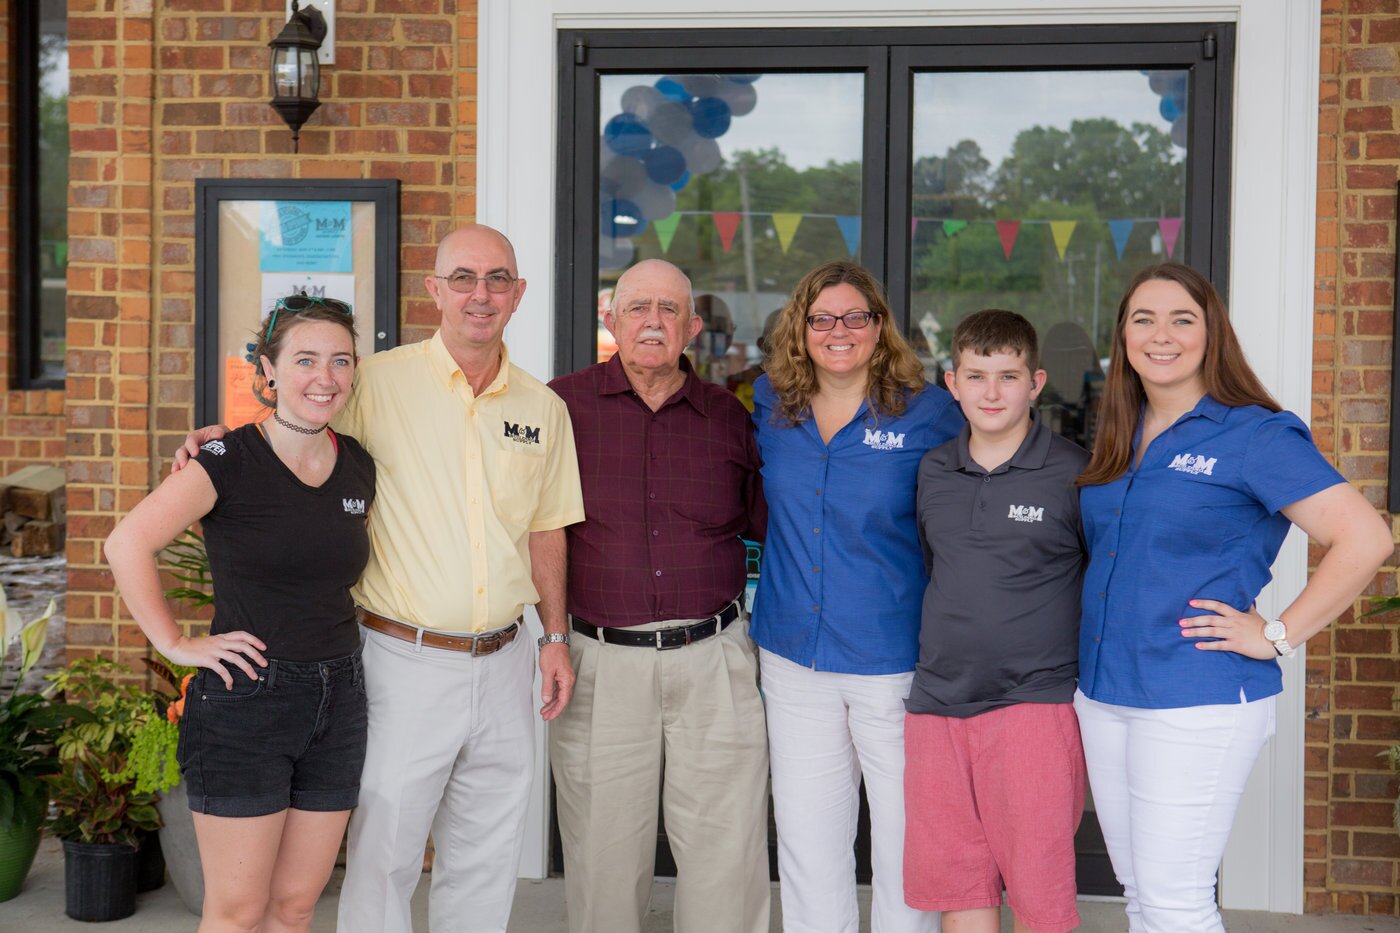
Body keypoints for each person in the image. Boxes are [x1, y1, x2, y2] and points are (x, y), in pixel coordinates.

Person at [177, 225, 586, 933]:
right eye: (463, 278)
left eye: (497, 279)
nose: (480, 294)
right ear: (435, 291)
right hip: (405, 657)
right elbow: (298, 416)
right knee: (384, 854)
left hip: (507, 659)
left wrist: (554, 636)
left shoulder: (541, 408)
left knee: (486, 854)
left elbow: (547, 527)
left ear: (519, 293)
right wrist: (219, 441)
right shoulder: (379, 382)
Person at [1074, 262, 1392, 932]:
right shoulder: (1123, 429)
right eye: (1143, 319)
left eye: (1182, 319)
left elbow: (1365, 538)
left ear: (1211, 333)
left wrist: (1277, 634)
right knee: (1141, 893)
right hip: (1105, 693)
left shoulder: (1255, 435)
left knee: (1176, 900)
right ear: (1123, 335)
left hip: (1196, 697)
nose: (1161, 335)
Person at [106, 296, 373, 933]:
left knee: (295, 907)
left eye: (340, 360)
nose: (325, 376)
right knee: (237, 912)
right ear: (269, 370)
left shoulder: (359, 462)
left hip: (339, 698)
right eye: (305, 359)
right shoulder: (228, 460)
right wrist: (174, 643)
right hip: (248, 701)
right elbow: (126, 543)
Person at [547, 258, 770, 933]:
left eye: (669, 309)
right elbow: (533, 527)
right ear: (610, 319)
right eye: (637, 307)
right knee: (603, 857)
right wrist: (551, 637)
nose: (653, 321)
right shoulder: (559, 407)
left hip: (714, 657)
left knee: (726, 850)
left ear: (692, 327)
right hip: (601, 660)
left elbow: (770, 525)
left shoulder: (728, 417)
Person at [751, 259, 963, 933]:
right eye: (821, 318)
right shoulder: (768, 401)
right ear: (800, 327)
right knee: (807, 838)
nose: (837, 331)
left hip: (892, 659)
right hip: (793, 656)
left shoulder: (929, 413)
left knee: (905, 839)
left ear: (879, 326)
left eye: (854, 317)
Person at [903, 309, 1088, 933]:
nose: (991, 392)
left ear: (1035, 383)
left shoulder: (1075, 472)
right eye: (976, 376)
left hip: (1033, 704)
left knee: (1039, 894)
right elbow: (938, 566)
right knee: (960, 884)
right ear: (951, 383)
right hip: (938, 703)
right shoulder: (933, 470)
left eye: (1007, 376)